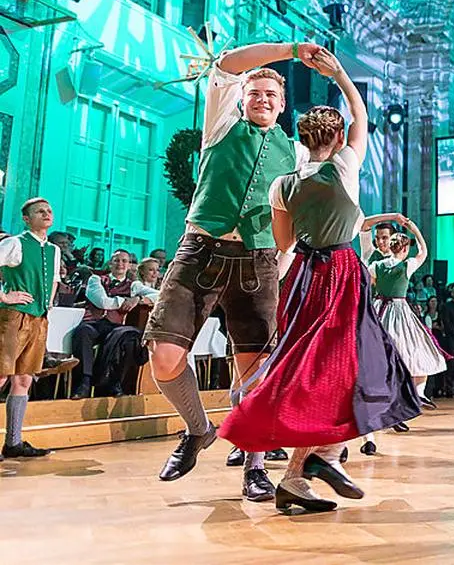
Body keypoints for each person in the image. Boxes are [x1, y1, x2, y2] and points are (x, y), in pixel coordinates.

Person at [218, 48, 422, 512]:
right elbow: (362, 115)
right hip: (339, 274)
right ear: (336, 136)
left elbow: (285, 244)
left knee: (311, 372)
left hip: (302, 275)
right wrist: (341, 74)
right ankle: (319, 460)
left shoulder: (282, 184)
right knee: (352, 370)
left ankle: (304, 470)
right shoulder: (345, 166)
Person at [141, 41, 325, 499]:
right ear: (241, 98)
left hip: (258, 261)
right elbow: (224, 63)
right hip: (200, 251)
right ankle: (198, 428)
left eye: (272, 96)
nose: (263, 99)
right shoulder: (220, 124)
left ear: (284, 107)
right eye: (256, 92)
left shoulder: (297, 154)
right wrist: (290, 50)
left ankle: (255, 467)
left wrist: (282, 259)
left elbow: (295, 213)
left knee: (254, 371)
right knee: (163, 355)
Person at [0, 198, 61, 461]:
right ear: (26, 218)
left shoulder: (54, 250)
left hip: (38, 319)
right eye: (40, 211)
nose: (46, 214)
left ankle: (13, 442)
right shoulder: (14, 243)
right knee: (1, 376)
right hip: (13, 318)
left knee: (23, 379)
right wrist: (4, 296)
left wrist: (47, 305)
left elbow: (55, 279)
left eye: (49, 210)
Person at [363, 219, 446, 409]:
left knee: (384, 352)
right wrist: (414, 228)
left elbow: (371, 281)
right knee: (417, 347)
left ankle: (393, 399)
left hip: (379, 308)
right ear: (405, 249)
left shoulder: (377, 265)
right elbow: (424, 251)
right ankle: (418, 392)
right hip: (399, 310)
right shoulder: (407, 265)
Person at [69, 249, 151, 399]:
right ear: (110, 263)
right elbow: (102, 302)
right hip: (94, 322)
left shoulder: (134, 285)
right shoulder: (96, 279)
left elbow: (159, 295)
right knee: (83, 332)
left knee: (129, 336)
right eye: (116, 260)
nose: (120, 264)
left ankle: (114, 382)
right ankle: (84, 382)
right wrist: (125, 301)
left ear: (130, 265)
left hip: (115, 326)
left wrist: (138, 299)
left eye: (124, 261)